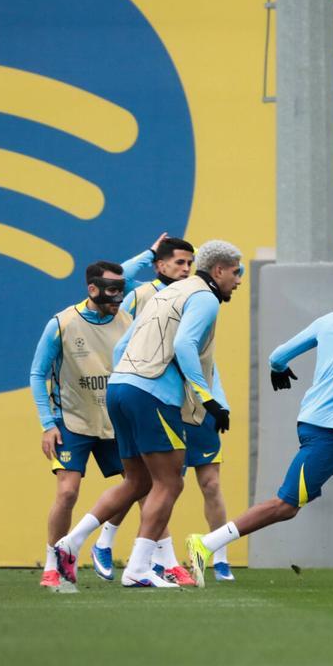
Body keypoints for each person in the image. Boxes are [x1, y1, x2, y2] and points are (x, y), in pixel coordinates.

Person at [185, 268, 333, 587]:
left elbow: (278, 356)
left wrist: (278, 369)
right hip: (327, 431)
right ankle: (206, 544)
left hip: (326, 426)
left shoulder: (330, 319)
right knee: (286, 506)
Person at [54, 240, 243, 588]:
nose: (239, 280)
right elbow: (185, 345)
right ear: (218, 271)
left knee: (137, 481)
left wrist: (124, 381)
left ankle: (71, 542)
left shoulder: (164, 294)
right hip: (152, 393)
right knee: (170, 481)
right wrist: (209, 399)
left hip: (121, 388)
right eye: (236, 272)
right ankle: (139, 568)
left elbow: (124, 344)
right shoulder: (204, 297)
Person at [30, 239, 163, 588]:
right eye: (111, 292)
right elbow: (37, 374)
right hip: (72, 420)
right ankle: (53, 563)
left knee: (141, 487)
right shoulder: (61, 324)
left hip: (114, 421)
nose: (118, 298)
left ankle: (123, 549)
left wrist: (149, 255)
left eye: (122, 291)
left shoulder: (127, 319)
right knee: (67, 492)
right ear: (92, 289)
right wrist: (47, 424)